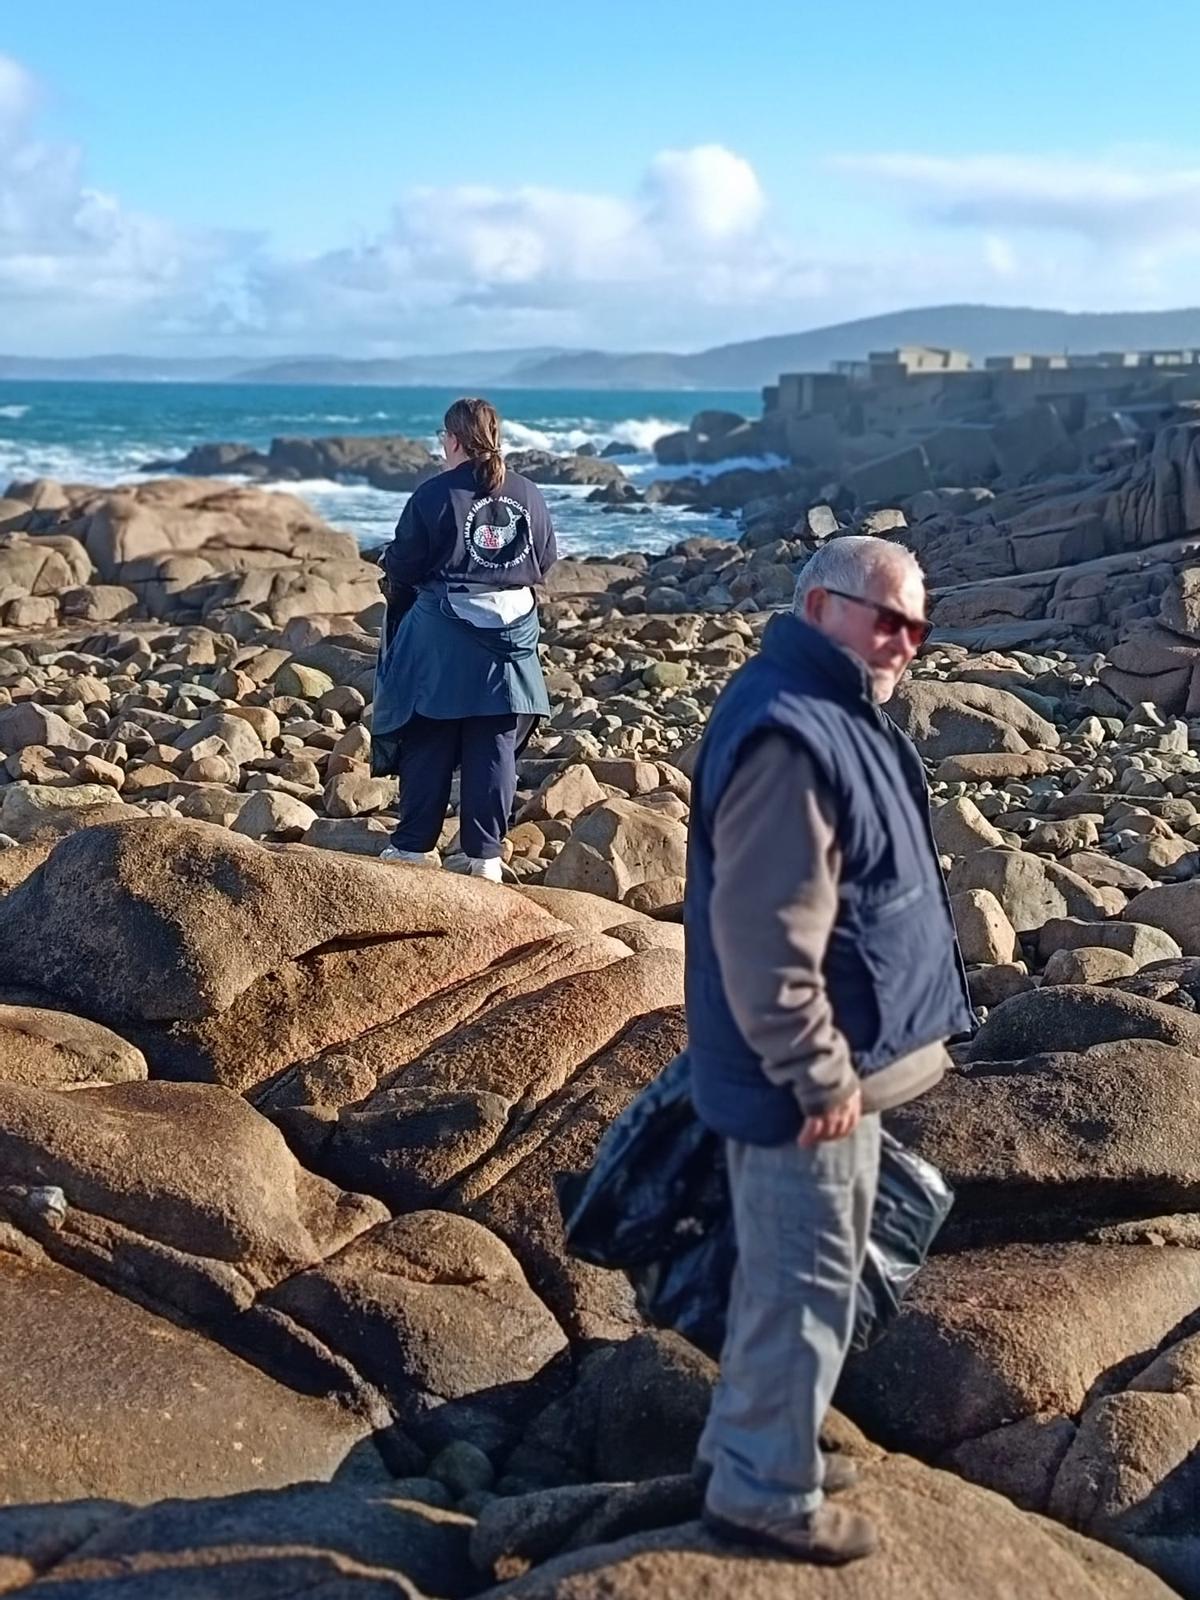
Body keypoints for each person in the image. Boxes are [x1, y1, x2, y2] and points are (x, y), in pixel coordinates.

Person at [684, 536, 974, 1564]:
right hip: (811, 1080)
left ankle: (750, 1439)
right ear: (818, 605)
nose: (906, 642)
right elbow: (765, 928)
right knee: (805, 1276)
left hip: (845, 1063)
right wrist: (815, 1069)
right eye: (886, 618)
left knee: (801, 1268)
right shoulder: (790, 734)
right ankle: (765, 1489)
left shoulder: (833, 711)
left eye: (919, 626)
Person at [371, 397, 557, 881]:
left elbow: (405, 564)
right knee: (493, 742)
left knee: (429, 732)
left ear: (452, 440)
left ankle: (412, 848)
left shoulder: (434, 495)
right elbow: (547, 560)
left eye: (442, 438)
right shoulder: (530, 493)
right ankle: (486, 858)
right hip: (513, 632)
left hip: (443, 635)